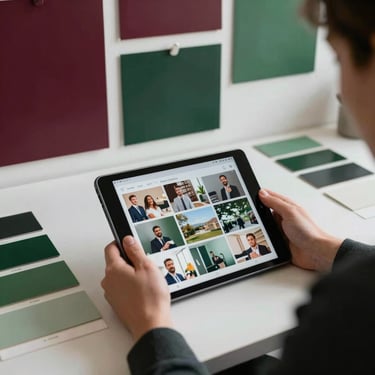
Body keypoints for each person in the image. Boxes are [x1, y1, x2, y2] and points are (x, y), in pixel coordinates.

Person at [101, 1, 375, 374]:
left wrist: (150, 323)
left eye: (339, 61)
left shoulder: (348, 308)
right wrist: (324, 249)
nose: (341, 92)